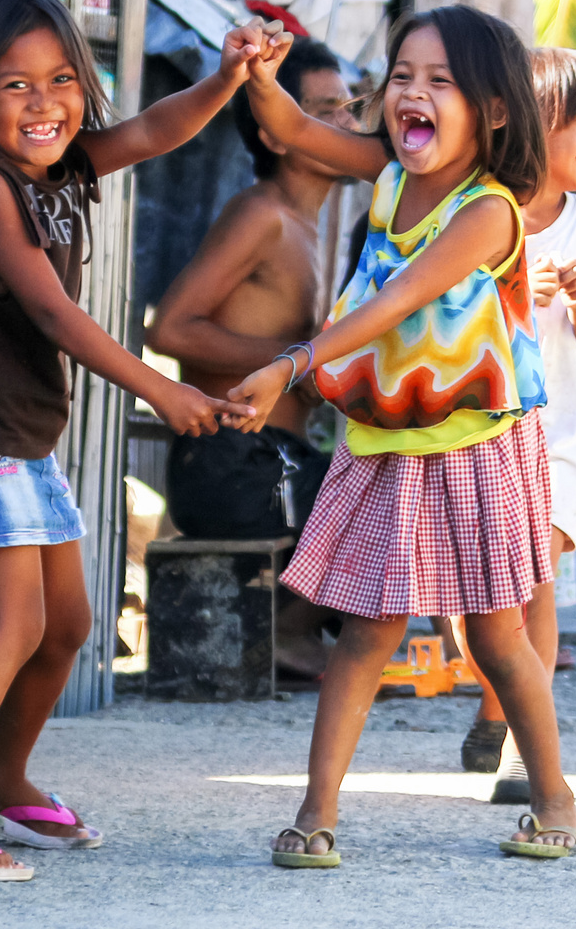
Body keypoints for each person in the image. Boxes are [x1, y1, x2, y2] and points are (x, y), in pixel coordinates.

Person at [0, 0, 263, 881]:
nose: (44, 102)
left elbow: (159, 130)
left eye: (60, 81)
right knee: (11, 626)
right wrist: (163, 393)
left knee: (68, 627)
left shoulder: (64, 170)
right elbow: (51, 314)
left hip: (21, 442)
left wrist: (226, 78)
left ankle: (3, 780)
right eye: (14, 86)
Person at [229, 5, 576, 865]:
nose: (410, 94)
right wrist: (259, 73)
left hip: (476, 445)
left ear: (495, 111)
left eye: (440, 82)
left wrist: (293, 363)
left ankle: (556, 798)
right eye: (401, 77)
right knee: (365, 634)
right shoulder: (387, 172)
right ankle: (317, 817)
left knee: (494, 637)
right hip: (388, 440)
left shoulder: (490, 212)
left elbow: (396, 301)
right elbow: (296, 131)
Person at [453, 47, 576, 800]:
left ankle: (527, 754)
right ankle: (497, 704)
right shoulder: (472, 213)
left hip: (559, 439)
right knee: (476, 606)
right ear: (529, 126)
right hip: (475, 433)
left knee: (536, 582)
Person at [146, 37, 350, 678]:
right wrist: (294, 359)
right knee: (385, 491)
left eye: (349, 108)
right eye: (327, 110)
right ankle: (290, 631)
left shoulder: (317, 227)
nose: (348, 124)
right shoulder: (260, 214)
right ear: (280, 132)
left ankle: (306, 627)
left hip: (279, 465)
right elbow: (170, 329)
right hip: (229, 468)